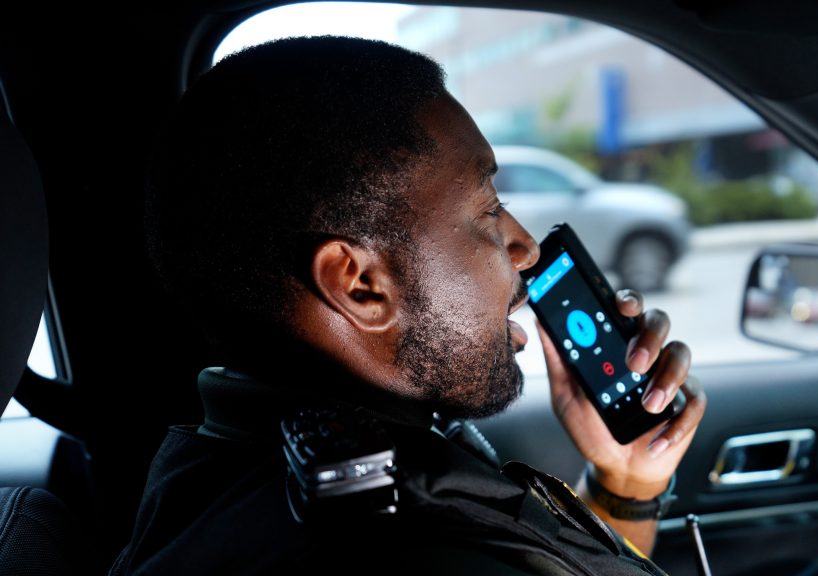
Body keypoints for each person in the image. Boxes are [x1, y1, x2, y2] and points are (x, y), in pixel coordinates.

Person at [112, 36, 706, 575]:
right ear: (361, 284)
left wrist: (626, 482)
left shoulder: (216, 468)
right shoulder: (411, 552)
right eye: (489, 207)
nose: (524, 247)